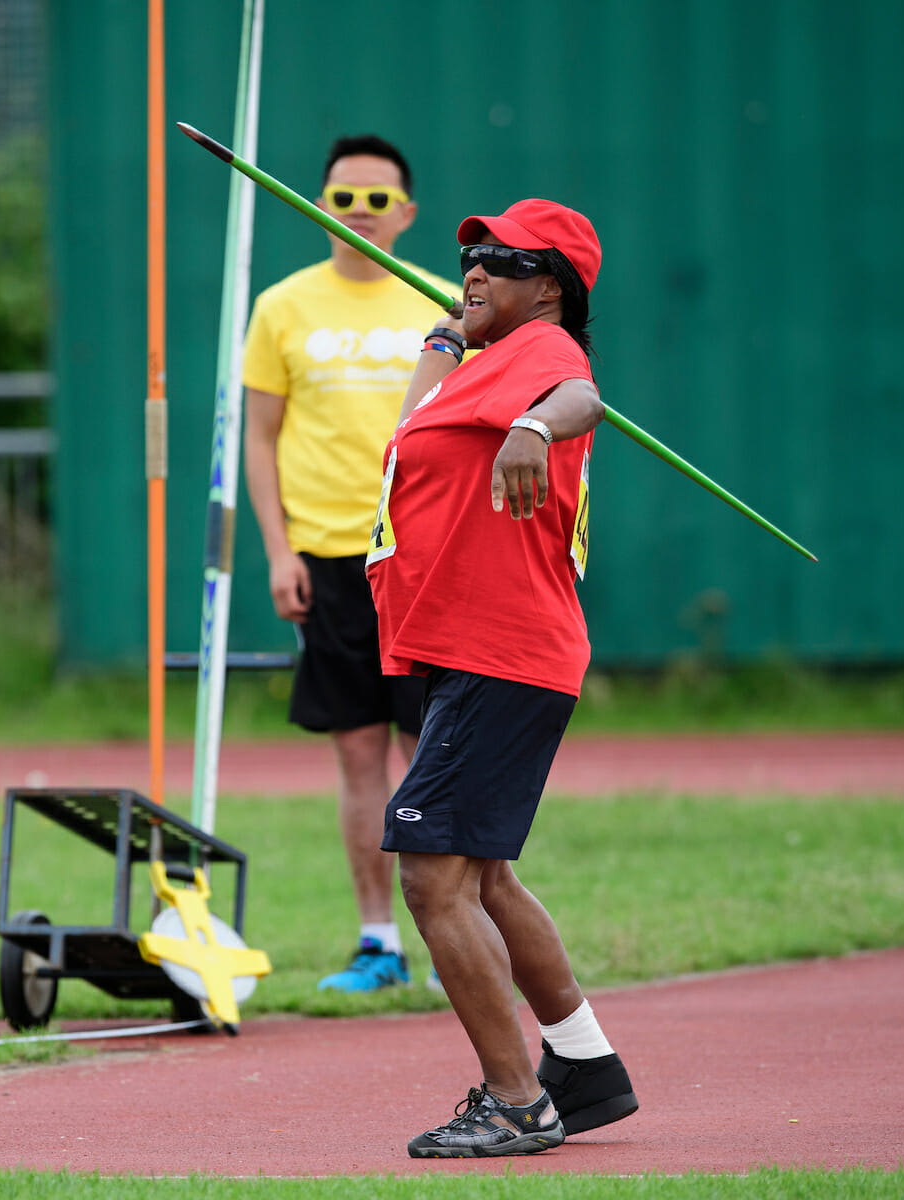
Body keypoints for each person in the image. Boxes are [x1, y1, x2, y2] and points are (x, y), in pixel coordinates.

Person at [366, 199, 638, 1157]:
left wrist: (530, 427)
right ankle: (586, 1065)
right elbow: (410, 437)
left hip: (502, 651)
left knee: (433, 878)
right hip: (473, 653)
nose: (473, 268)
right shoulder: (481, 363)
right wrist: (447, 333)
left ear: (550, 287)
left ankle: (518, 1101)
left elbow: (581, 398)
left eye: (499, 259)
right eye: (469, 255)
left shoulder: (543, 358)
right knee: (483, 876)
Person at [242, 135, 460, 992]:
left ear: (406, 214)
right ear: (319, 205)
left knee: (435, 749)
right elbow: (260, 437)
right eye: (343, 199)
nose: (359, 215)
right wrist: (277, 549)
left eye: (377, 202)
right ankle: (379, 942)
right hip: (328, 560)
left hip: (421, 558)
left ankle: (455, 940)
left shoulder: (445, 304)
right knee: (359, 754)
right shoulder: (282, 307)